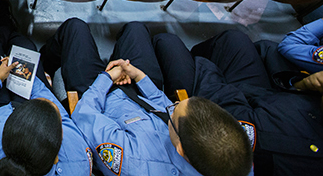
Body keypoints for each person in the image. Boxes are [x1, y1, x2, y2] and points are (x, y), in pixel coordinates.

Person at [40, 19, 253, 176]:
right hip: (141, 94)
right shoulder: (227, 160)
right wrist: (139, 77)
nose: (174, 104)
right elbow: (163, 108)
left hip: (99, 100)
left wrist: (107, 78)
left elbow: (85, 115)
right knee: (135, 28)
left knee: (75, 28)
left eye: (174, 111)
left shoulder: (133, 161)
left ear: (180, 148)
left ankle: (46, 65)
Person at [154, 29, 323, 176]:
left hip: (224, 114)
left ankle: (190, 61)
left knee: (167, 42)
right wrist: (304, 84)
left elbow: (226, 111)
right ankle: (194, 59)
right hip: (265, 98)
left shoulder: (290, 149)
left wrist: (208, 69)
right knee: (233, 39)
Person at [0, 7, 92, 176]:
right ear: (56, 158)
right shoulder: (78, 165)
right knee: (25, 46)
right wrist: (26, 75)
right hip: (33, 102)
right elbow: (60, 116)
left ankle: (2, 20)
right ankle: (13, 29)